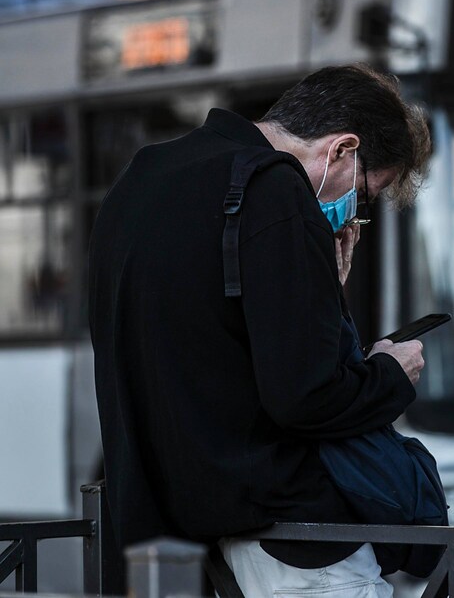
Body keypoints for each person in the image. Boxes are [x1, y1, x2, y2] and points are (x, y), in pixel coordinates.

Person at [88, 65, 432, 596]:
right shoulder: (278, 193)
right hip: (280, 530)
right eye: (364, 194)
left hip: (156, 525)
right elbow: (306, 395)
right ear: (342, 148)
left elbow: (211, 336)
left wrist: (319, 288)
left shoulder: (147, 173)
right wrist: (392, 372)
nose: (353, 214)